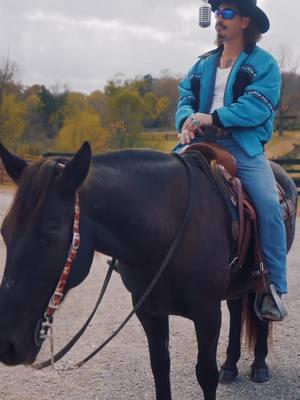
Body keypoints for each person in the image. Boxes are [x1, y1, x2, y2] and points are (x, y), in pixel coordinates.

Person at [175, 0, 287, 321]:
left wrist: (211, 117)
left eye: (227, 13)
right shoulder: (201, 65)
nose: (218, 19)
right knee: (157, 181)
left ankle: (272, 286)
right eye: (216, 13)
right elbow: (185, 98)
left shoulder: (264, 65)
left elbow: (256, 108)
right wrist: (186, 121)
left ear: (245, 22)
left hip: (242, 146)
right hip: (198, 141)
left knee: (268, 204)